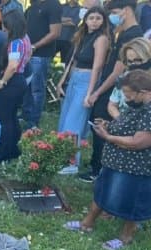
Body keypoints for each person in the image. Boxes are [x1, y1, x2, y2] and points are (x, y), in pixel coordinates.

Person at [64, 69, 151, 250]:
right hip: (115, 162)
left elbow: (139, 142)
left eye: (128, 94)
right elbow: (127, 125)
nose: (126, 99)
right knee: (102, 191)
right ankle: (87, 223)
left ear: (142, 92)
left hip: (135, 167)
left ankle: (126, 236)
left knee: (131, 201)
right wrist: (109, 126)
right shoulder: (138, 106)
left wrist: (109, 137)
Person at [79, 0, 143, 183]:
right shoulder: (122, 32)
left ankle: (99, 170)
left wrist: (97, 92)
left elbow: (118, 71)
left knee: (102, 125)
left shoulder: (132, 36)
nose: (112, 17)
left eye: (114, 12)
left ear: (127, 11)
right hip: (110, 87)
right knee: (98, 125)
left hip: (113, 89)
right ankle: (97, 165)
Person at [56, 6, 110, 174]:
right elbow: (72, 60)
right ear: (85, 20)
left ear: (103, 21)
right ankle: (60, 156)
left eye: (98, 18)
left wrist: (89, 93)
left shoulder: (102, 38)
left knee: (74, 122)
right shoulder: (82, 35)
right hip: (74, 78)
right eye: (91, 18)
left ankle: (72, 163)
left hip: (87, 80)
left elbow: (97, 67)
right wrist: (61, 81)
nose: (94, 21)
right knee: (64, 119)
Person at [0, 10, 32, 163]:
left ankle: (3, 152)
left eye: (5, 24)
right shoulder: (25, 39)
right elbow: (28, 56)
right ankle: (14, 149)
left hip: (12, 81)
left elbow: (13, 66)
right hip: (20, 80)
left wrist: (3, 81)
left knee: (5, 119)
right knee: (13, 117)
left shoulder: (15, 43)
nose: (3, 27)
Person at [21, 0, 62, 130]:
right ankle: (26, 114)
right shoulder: (33, 5)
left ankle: (33, 121)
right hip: (27, 53)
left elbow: (55, 33)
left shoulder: (53, 4)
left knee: (37, 89)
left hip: (41, 54)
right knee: (26, 86)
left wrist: (34, 46)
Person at [107, 38, 151, 119]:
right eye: (130, 61)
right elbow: (112, 105)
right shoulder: (124, 78)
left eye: (138, 60)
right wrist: (122, 121)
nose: (134, 64)